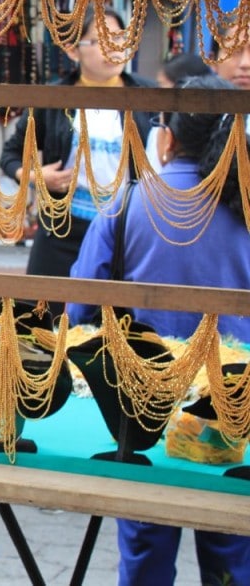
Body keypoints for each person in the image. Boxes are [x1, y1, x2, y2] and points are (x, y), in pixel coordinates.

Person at [67, 74, 250, 585]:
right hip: (236, 411)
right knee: (234, 555)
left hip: (147, 411)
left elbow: (78, 311)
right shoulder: (246, 207)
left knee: (145, 553)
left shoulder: (127, 205)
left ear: (165, 136)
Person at [0, 6, 155, 316]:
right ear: (73, 51)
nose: (114, 49)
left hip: (124, 231)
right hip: (62, 228)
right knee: (42, 320)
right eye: (100, 41)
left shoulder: (149, 96)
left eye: (120, 38)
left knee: (116, 326)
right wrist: (34, 176)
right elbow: (10, 154)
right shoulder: (54, 98)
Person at [148, 52, 212, 173]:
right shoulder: (156, 129)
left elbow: (163, 160)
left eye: (163, 87)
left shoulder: (201, 132)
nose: (158, 95)